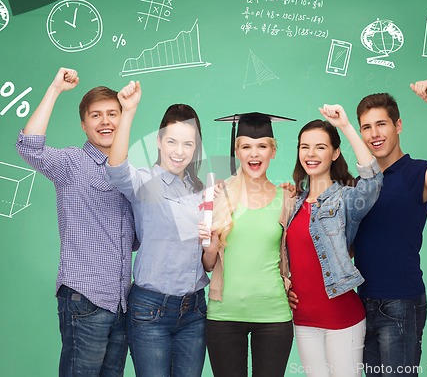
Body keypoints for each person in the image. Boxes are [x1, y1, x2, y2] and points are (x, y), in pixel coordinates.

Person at [16, 67, 136, 377]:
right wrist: (55, 88)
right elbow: (30, 147)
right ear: (84, 124)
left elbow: (136, 239)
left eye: (113, 113)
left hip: (122, 302)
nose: (106, 121)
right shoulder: (71, 163)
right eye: (96, 116)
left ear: (123, 119)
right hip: (86, 299)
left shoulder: (130, 174)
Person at [352, 79, 427, 376]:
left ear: (398, 125)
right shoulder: (359, 184)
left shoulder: (417, 174)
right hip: (360, 302)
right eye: (366, 127)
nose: (374, 134)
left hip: (400, 303)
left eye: (382, 124)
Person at [105, 81, 209, 377]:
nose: (179, 151)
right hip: (150, 311)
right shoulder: (143, 182)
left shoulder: (202, 192)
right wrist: (128, 111)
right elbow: (115, 167)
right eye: (172, 141)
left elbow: (206, 258)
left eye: (188, 144)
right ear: (160, 142)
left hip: (195, 311)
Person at [286, 105, 383, 377]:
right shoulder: (292, 203)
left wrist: (346, 126)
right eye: (304, 147)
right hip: (303, 319)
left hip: (342, 317)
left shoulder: (346, 199)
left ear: (335, 152)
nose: (311, 154)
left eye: (320, 147)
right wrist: (285, 284)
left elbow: (373, 181)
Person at [200, 112, 295, 377]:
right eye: (246, 147)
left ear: (273, 151)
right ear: (237, 152)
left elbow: (295, 253)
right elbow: (208, 265)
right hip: (224, 315)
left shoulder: (287, 198)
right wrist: (210, 244)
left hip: (273, 315)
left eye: (262, 146)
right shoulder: (219, 195)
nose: (254, 154)